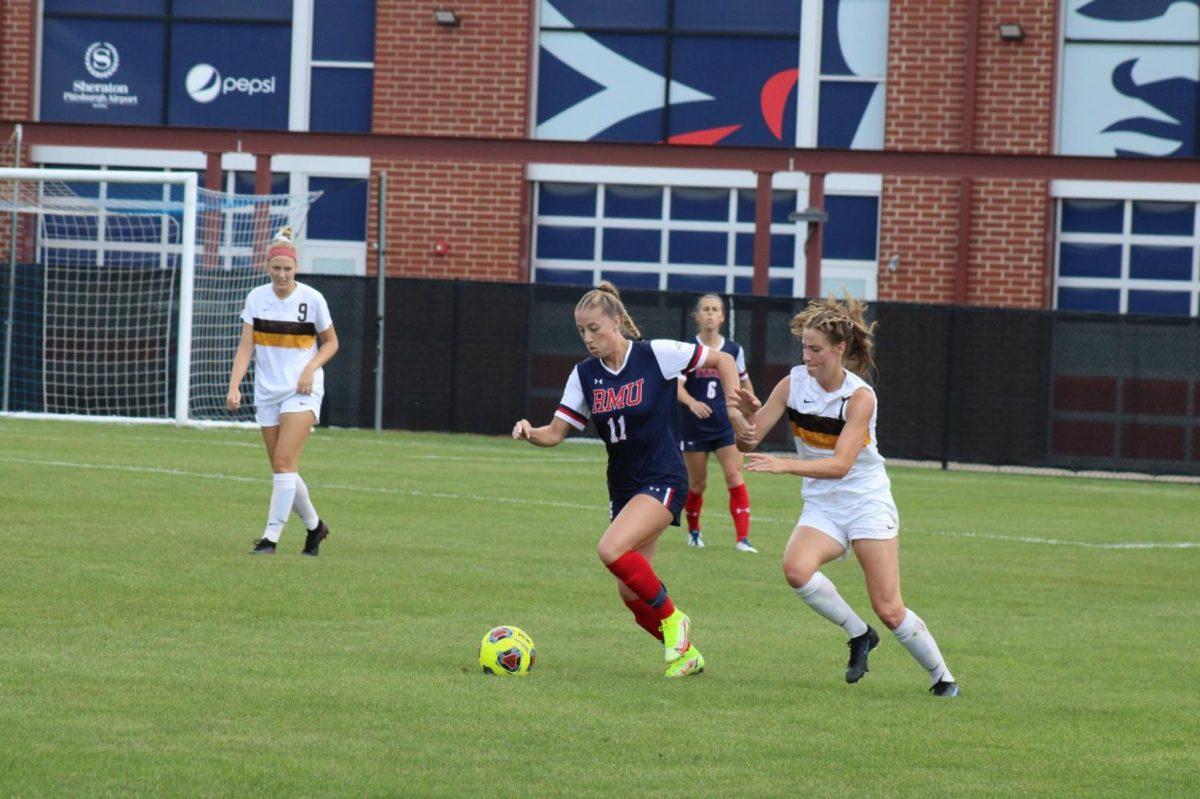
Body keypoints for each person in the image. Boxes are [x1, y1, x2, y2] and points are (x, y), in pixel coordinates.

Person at [512, 282, 754, 678]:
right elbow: (555, 433)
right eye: (582, 331)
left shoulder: (655, 354)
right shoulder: (584, 375)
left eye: (595, 328)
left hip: (664, 477)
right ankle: (685, 653)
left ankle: (676, 619)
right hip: (624, 488)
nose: (589, 338)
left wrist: (733, 410)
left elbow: (724, 361)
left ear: (617, 321)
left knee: (610, 548)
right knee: (630, 592)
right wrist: (529, 432)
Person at [730, 294, 959, 697]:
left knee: (889, 607)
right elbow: (747, 443)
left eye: (815, 349)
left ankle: (943, 678)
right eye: (804, 347)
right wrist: (745, 415)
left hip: (865, 501)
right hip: (824, 504)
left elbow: (840, 465)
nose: (807, 356)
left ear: (840, 349)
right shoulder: (792, 384)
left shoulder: (860, 398)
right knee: (796, 569)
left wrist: (785, 465)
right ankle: (859, 634)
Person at [227, 226, 338, 556]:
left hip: (302, 389)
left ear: (296, 268)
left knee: (284, 460)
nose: (282, 274)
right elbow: (246, 348)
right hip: (267, 391)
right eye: (276, 268)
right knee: (282, 466)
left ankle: (270, 539)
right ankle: (315, 527)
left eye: (287, 269)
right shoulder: (256, 298)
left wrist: (309, 369)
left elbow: (332, 343)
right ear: (267, 267)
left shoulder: (312, 299)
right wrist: (234, 386)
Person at [676, 293, 756, 552]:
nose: (710, 314)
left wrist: (750, 407)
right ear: (696, 316)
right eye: (705, 309)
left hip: (726, 425)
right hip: (695, 426)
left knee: (735, 476)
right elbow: (677, 388)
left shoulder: (733, 349)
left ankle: (743, 540)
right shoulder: (688, 349)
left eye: (715, 309)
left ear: (722, 317)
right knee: (698, 483)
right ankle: (694, 533)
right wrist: (691, 402)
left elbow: (744, 381)